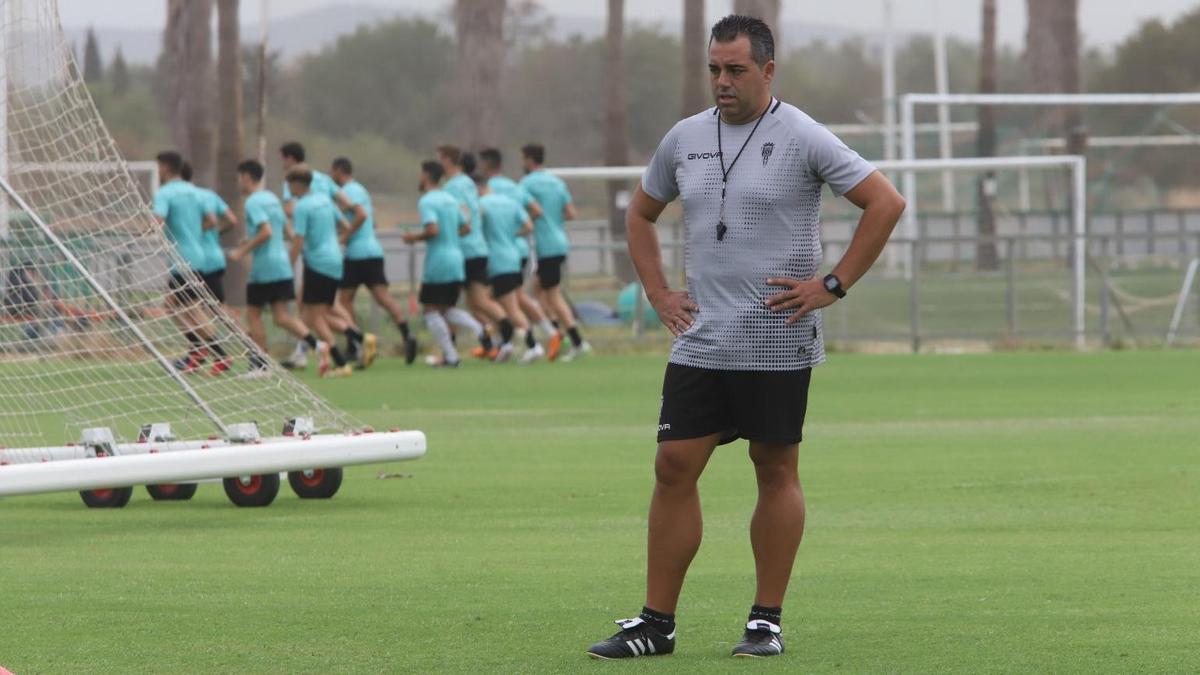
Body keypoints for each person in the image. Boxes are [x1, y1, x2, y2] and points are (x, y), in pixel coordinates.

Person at [586, 15, 906, 660]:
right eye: (713, 69)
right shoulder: (685, 137)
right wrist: (658, 293)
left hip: (776, 337)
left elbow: (886, 202)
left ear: (767, 70)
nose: (722, 81)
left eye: (735, 69)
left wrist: (833, 284)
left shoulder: (803, 134)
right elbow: (641, 213)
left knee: (774, 467)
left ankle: (765, 621)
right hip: (702, 338)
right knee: (673, 465)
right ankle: (656, 624)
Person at [225, 160, 321, 376]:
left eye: (240, 178)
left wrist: (242, 251)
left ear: (247, 177)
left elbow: (266, 232)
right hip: (282, 265)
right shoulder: (272, 198)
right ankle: (318, 345)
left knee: (253, 315)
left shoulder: (252, 202)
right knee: (281, 317)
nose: (239, 183)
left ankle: (260, 365)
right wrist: (250, 239)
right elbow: (286, 230)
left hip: (264, 268)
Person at [278, 141, 369, 367]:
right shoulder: (326, 200)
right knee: (322, 310)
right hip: (335, 259)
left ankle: (342, 359)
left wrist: (288, 267)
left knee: (314, 315)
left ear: (296, 184)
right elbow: (346, 225)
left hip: (317, 262)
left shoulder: (302, 207)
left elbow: (298, 240)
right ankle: (356, 341)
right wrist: (334, 240)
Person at [330, 157, 418, 366]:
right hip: (374, 250)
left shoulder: (348, 191)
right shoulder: (362, 190)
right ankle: (407, 333)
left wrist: (345, 235)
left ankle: (355, 344)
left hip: (357, 253)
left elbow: (360, 216)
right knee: (383, 297)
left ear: (339, 171)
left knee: (344, 300)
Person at [479, 147, 563, 360]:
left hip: (500, 254)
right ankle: (512, 341)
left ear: (486, 165)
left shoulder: (487, 191)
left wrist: (503, 233)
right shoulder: (514, 186)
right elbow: (536, 211)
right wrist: (514, 232)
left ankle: (518, 341)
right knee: (514, 297)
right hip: (519, 250)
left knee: (498, 301)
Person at [152, 151, 231, 376]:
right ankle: (199, 349)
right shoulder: (196, 192)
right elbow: (212, 220)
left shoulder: (165, 192)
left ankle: (218, 353)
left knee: (191, 311)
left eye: (159, 167)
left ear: (166, 167)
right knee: (174, 306)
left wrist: (140, 232)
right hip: (198, 256)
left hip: (181, 259)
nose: (158, 171)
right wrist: (193, 233)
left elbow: (157, 221)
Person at [403, 160, 488, 368]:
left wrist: (414, 238)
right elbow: (466, 227)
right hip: (456, 257)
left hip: (439, 261)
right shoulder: (450, 199)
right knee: (446, 309)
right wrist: (450, 236)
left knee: (431, 311)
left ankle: (451, 356)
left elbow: (432, 230)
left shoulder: (427, 201)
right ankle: (479, 329)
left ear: (426, 176)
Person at [518, 143, 591, 361]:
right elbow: (571, 213)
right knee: (537, 290)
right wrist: (553, 219)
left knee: (553, 295)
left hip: (547, 246)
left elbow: (524, 211)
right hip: (559, 242)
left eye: (523, 159)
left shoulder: (526, 183)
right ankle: (556, 332)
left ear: (529, 160)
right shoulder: (557, 182)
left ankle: (577, 341)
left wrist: (535, 221)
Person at [438, 145, 504, 358]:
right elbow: (478, 211)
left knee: (447, 304)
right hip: (478, 248)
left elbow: (463, 217)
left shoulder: (452, 187)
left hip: (463, 250)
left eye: (440, 158)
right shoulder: (469, 183)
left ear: (449, 160)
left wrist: (448, 234)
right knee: (476, 302)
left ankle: (450, 353)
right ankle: (499, 339)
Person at [476, 174, 544, 364]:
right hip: (514, 257)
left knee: (511, 309)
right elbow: (528, 226)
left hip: (498, 261)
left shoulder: (482, 204)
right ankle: (505, 343)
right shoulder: (510, 202)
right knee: (490, 299)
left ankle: (533, 345)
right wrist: (511, 235)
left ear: (478, 188)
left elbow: (473, 227)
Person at [180, 162, 234, 310]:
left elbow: (212, 221)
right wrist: (216, 232)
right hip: (214, 257)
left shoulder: (180, 197)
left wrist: (194, 232)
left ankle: (240, 331)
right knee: (191, 308)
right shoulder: (209, 195)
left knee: (216, 310)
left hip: (198, 261)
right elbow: (232, 220)